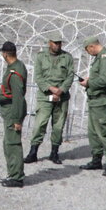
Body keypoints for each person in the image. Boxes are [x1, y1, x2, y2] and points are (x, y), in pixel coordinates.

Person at [24, 33, 75, 165]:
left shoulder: (67, 57)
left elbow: (70, 76)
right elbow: (38, 77)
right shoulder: (41, 57)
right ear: (49, 43)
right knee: (40, 124)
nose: (57, 45)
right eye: (55, 43)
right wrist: (50, 88)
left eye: (59, 43)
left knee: (58, 126)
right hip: (45, 95)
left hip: (61, 97)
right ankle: (33, 152)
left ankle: (54, 152)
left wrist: (61, 89)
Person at [79, 36, 106, 176]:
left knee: (104, 132)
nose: (88, 53)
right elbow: (100, 77)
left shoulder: (105, 58)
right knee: (93, 133)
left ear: (91, 47)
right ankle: (96, 160)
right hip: (95, 101)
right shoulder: (100, 58)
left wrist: (89, 83)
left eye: (87, 50)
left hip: (101, 100)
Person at [0, 41, 27, 188]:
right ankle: (12, 173)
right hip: (9, 110)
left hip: (12, 111)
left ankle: (17, 177)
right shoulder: (15, 67)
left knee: (13, 144)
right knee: (8, 143)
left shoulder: (15, 72)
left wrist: (17, 119)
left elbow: (18, 97)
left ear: (5, 54)